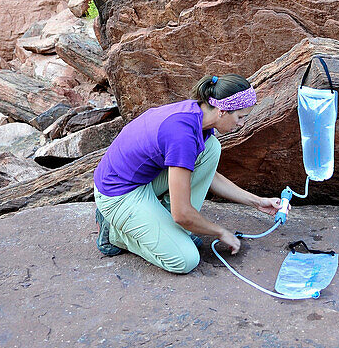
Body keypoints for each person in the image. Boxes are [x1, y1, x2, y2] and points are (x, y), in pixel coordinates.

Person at [93, 73, 282, 273]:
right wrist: (220, 232)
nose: (242, 124)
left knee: (211, 149)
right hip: (118, 194)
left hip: (142, 179)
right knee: (185, 259)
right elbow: (182, 213)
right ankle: (114, 234)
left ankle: (164, 225)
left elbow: (211, 176)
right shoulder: (181, 135)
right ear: (221, 111)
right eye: (240, 117)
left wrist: (257, 202)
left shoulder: (197, 115)